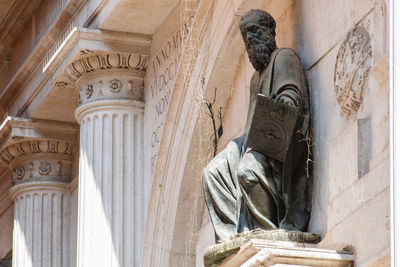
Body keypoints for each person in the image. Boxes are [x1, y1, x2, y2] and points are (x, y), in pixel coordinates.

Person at [202, 9, 312, 242]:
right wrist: (237, 146)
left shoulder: (284, 57)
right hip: (257, 139)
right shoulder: (255, 79)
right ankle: (231, 236)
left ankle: (267, 231)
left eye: (253, 31)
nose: (249, 39)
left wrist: (283, 103)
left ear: (269, 31)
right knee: (212, 171)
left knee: (247, 170)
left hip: (280, 136)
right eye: (245, 35)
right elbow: (249, 126)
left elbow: (292, 94)